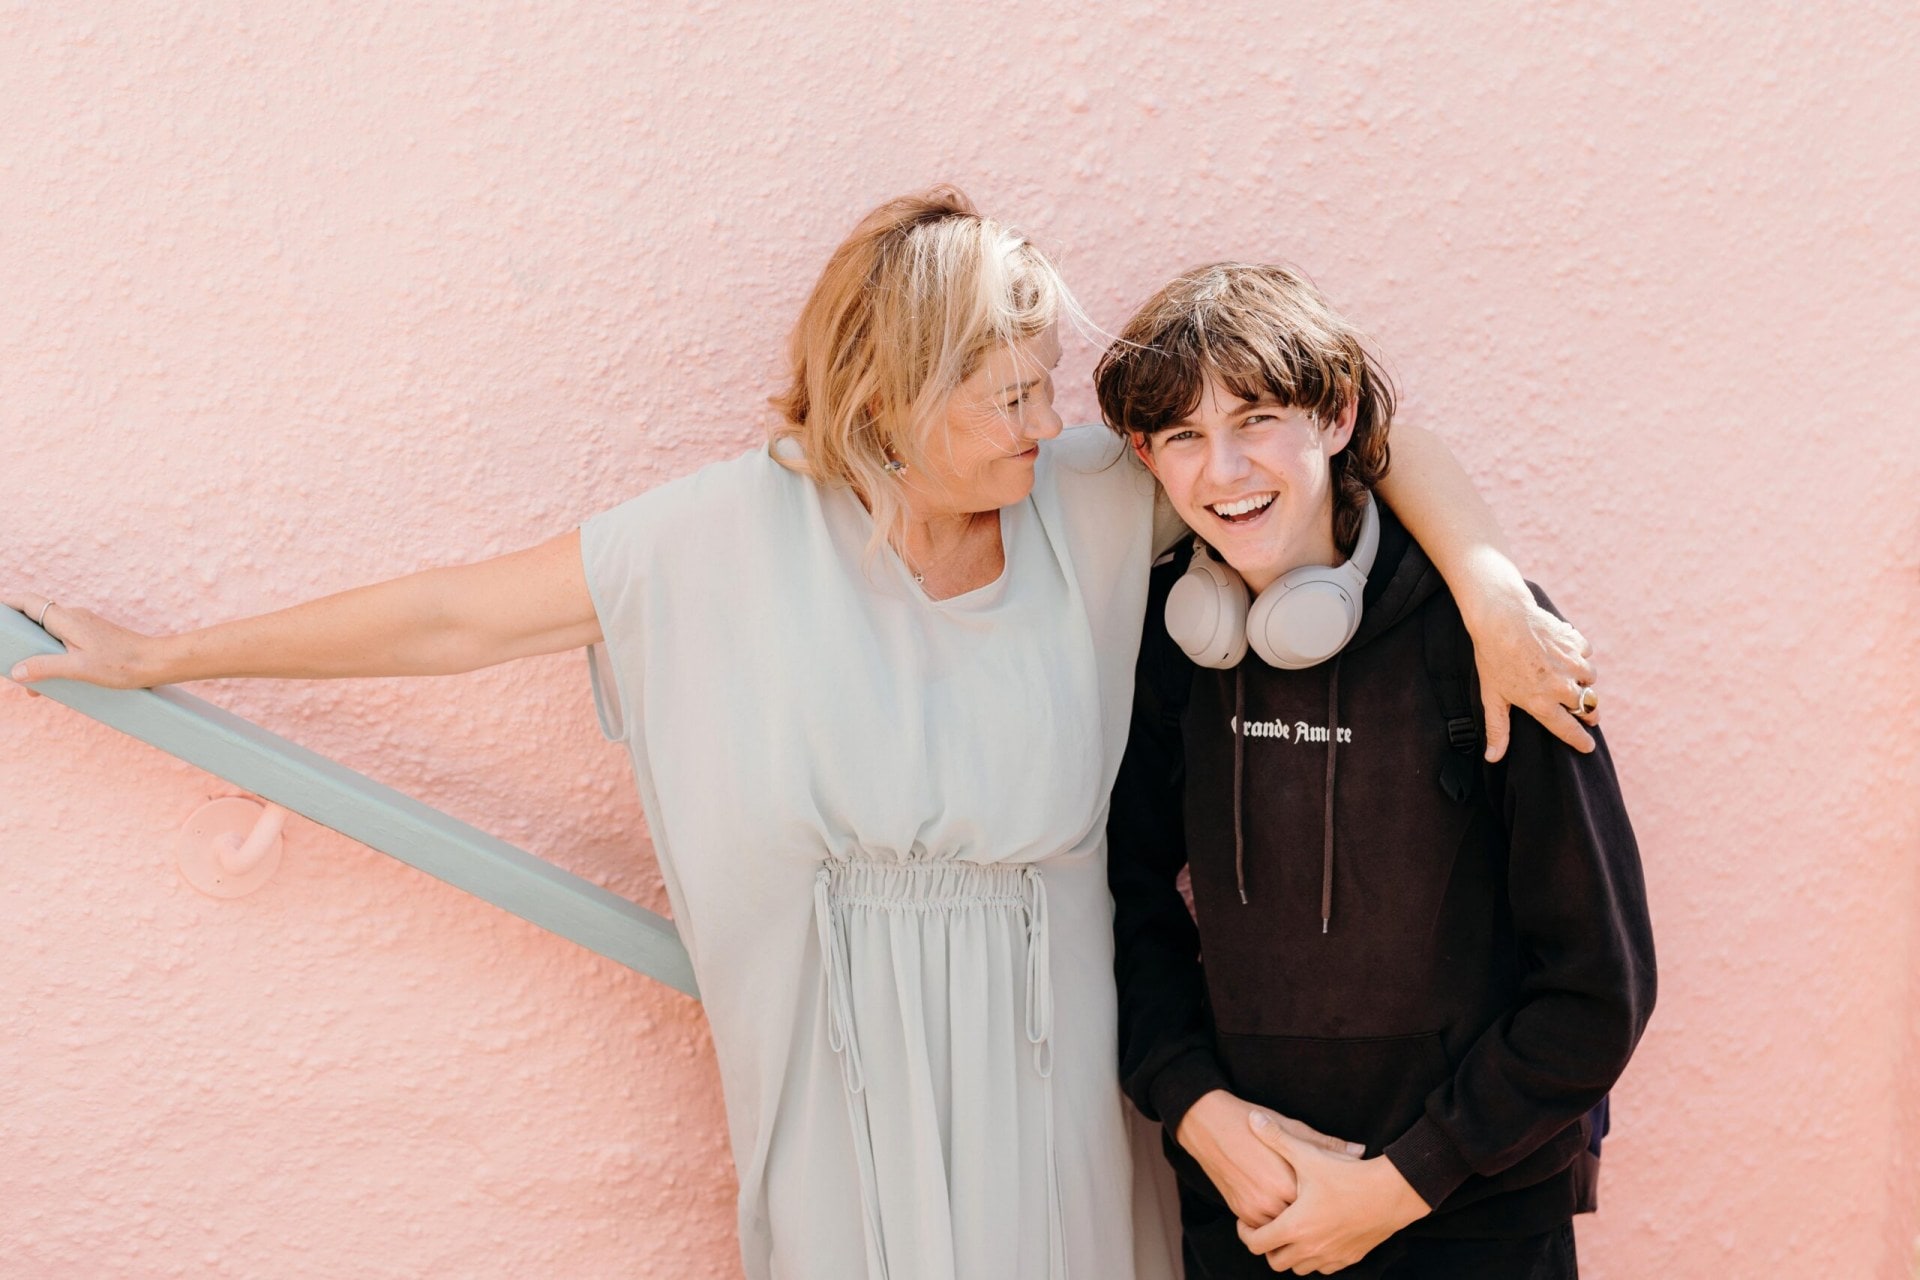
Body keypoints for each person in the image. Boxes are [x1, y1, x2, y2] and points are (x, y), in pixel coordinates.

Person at [4, 191, 1601, 1280]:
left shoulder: (1085, 512)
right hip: (835, 1085)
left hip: (1062, 1072)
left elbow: (1339, 432)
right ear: (895, 398)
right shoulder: (720, 539)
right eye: (1009, 393)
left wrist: (1485, 588)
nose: (1051, 422)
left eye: (1050, 387)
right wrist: (169, 655)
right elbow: (452, 618)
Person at [1097, 262, 1656, 1278]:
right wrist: (1194, 1105)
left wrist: (1397, 1185)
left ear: (1339, 413)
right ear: (1146, 455)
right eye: (1183, 436)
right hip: (1252, 1213)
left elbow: (1598, 989)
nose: (1223, 471)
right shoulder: (1173, 646)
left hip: (1474, 1221)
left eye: (1257, 417)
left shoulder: (1494, 640)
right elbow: (1125, 906)